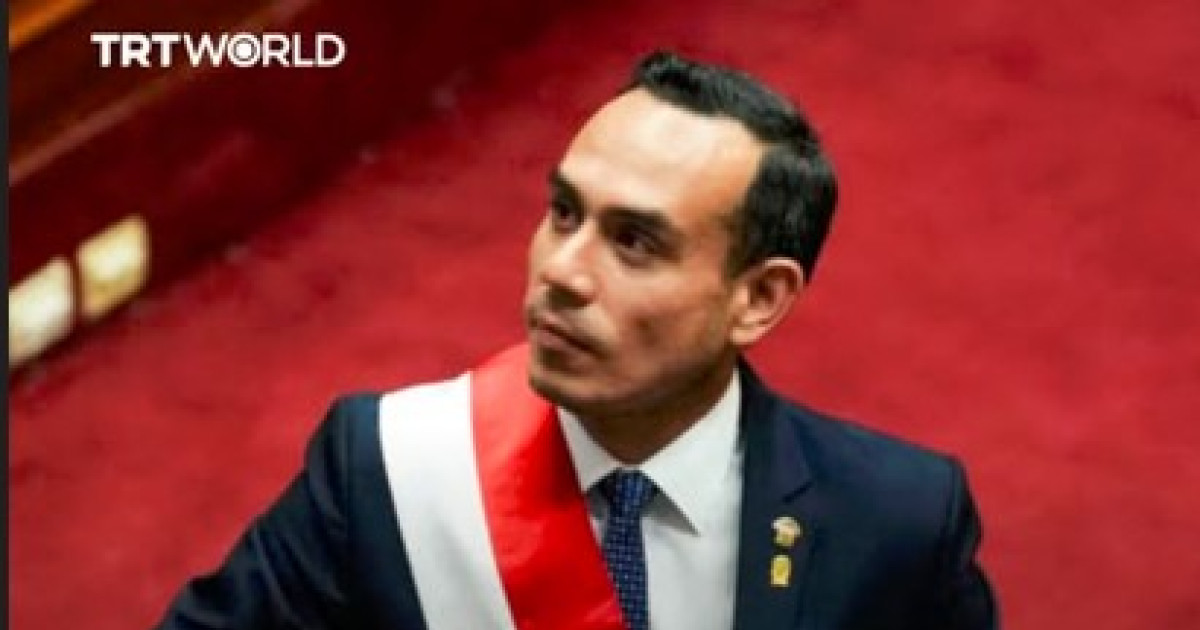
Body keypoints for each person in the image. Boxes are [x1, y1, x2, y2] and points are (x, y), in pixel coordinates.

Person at [156, 51, 998, 630]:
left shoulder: (897, 521)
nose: (561, 271)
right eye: (564, 213)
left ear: (758, 299)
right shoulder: (390, 470)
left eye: (634, 242)